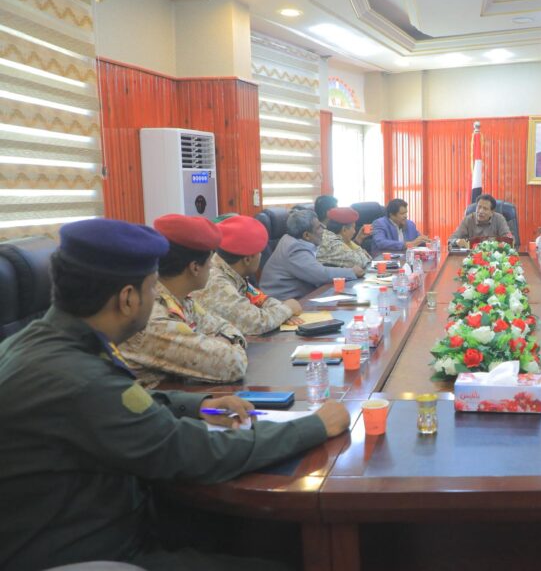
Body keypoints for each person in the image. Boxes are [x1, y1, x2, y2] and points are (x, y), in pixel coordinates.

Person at [0, 218, 351, 570]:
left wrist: (198, 404)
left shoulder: (40, 343)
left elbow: (123, 403)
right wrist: (313, 426)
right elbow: (192, 450)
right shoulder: (79, 377)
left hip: (103, 515)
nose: (157, 297)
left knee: (260, 536)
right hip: (94, 551)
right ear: (128, 298)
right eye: (152, 288)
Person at [119, 215, 248, 388]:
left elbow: (226, 327)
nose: (212, 266)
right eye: (209, 260)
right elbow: (233, 364)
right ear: (195, 267)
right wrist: (224, 344)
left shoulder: (180, 300)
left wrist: (224, 341)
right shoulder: (152, 317)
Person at [192, 215, 302, 335]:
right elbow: (255, 323)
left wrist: (281, 313)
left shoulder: (230, 271)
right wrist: (287, 309)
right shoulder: (215, 281)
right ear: (248, 259)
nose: (261, 256)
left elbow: (260, 300)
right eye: (259, 253)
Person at [261, 208, 360, 301]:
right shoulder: (294, 249)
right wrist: (351, 272)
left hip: (299, 296)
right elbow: (321, 274)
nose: (324, 228)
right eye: (318, 227)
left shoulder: (292, 239)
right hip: (284, 302)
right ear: (307, 235)